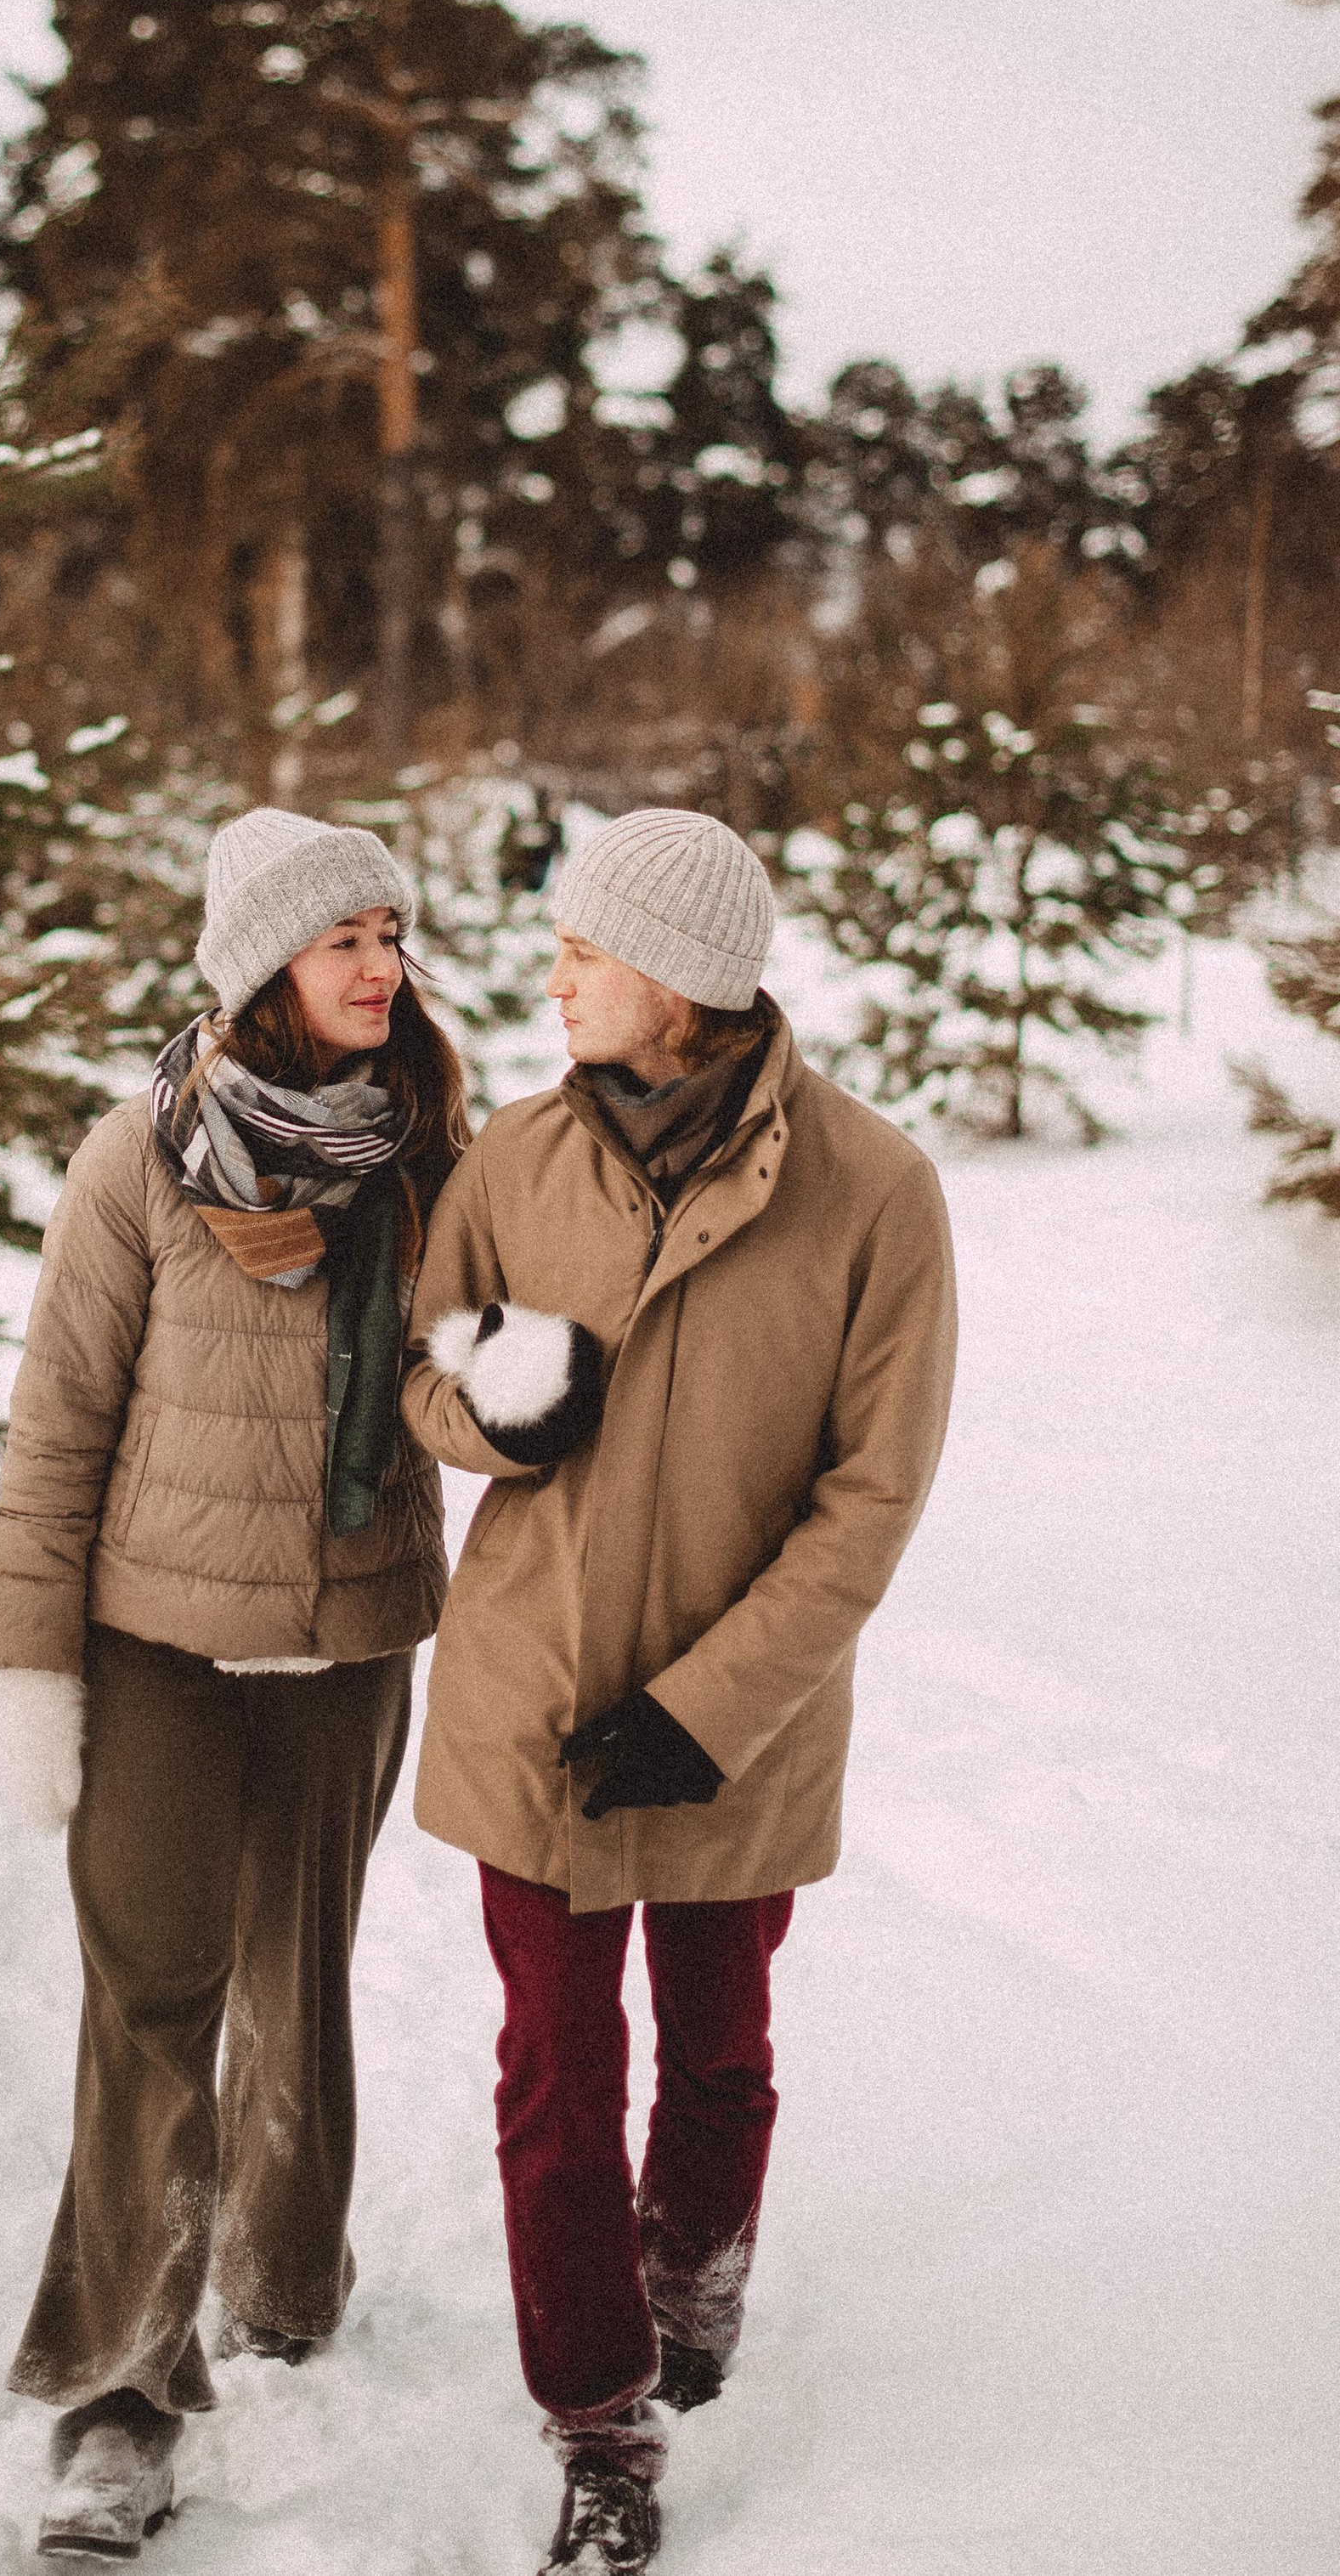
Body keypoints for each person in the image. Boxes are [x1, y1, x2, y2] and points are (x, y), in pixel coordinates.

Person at [403, 807, 957, 2576]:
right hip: (534, 1704)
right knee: (556, 2076)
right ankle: (597, 2417)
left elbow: (871, 1496)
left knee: (717, 2057)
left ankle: (692, 2287)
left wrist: (707, 1711)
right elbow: (420, 1365)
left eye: (587, 953)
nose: (552, 978)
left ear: (682, 982)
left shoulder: (873, 1189)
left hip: (742, 1728)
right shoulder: (512, 1156)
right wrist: (492, 1406)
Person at [0, 805, 469, 2560]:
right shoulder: (138, 1158)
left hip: (346, 1642)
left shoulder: (429, 1154)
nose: (382, 965)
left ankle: (281, 2267)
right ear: (264, 964)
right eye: (346, 939)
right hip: (155, 1650)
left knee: (297, 1978)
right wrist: (28, 1666)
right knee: (150, 2005)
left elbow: (468, 1372)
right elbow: (55, 1431)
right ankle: (119, 2395)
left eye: (392, 935)